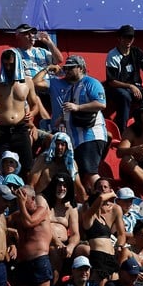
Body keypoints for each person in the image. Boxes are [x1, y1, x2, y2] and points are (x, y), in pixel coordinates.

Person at [37, 55, 108, 189]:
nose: (67, 71)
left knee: (90, 172)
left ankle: (105, 196)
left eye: (71, 68)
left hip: (90, 135)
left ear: (81, 68)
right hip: (77, 139)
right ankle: (92, 201)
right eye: (66, 68)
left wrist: (78, 107)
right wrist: (63, 118)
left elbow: (101, 104)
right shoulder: (72, 88)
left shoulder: (91, 82)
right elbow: (71, 108)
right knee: (81, 174)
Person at [0, 49, 38, 177]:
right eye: (5, 64)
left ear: (17, 63)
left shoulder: (27, 82)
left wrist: (33, 113)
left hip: (20, 129)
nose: (8, 67)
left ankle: (25, 193)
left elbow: (35, 105)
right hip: (0, 130)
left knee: (27, 166)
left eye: (11, 64)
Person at [105, 25, 143, 131]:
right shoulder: (112, 55)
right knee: (125, 96)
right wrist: (130, 86)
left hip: (136, 87)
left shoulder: (136, 52)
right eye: (125, 37)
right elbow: (111, 81)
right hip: (118, 88)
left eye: (131, 37)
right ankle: (122, 130)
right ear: (119, 38)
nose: (128, 40)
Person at [10, 185, 54, 286]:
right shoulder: (16, 216)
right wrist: (12, 243)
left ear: (32, 198)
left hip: (39, 260)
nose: (20, 200)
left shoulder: (41, 210)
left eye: (23, 197)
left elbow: (29, 222)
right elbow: (1, 226)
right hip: (22, 263)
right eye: (18, 197)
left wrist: (22, 204)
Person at [79, 178, 126, 286]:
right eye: (100, 187)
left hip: (111, 258)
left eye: (105, 187)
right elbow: (100, 198)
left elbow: (122, 233)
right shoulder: (89, 217)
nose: (103, 190)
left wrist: (119, 246)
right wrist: (112, 194)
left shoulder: (103, 220)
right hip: (99, 258)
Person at [42, 174, 80, 284]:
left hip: (64, 244)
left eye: (65, 185)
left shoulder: (71, 208)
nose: (62, 188)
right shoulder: (45, 203)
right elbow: (46, 225)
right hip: (46, 241)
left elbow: (75, 234)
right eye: (59, 185)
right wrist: (57, 242)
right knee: (54, 251)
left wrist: (71, 246)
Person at [29, 132, 86, 202]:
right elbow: (31, 184)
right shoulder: (43, 159)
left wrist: (85, 203)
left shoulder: (71, 163)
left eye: (62, 144)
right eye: (57, 144)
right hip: (42, 200)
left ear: (67, 147)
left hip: (62, 203)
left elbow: (78, 186)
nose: (59, 147)